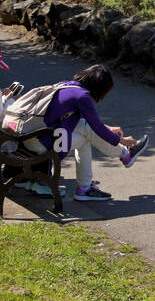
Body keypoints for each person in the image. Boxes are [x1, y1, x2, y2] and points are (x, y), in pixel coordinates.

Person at [16, 65, 148, 202]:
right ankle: (122, 155)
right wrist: (123, 140)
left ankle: (121, 157)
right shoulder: (82, 96)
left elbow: (82, 119)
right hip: (41, 142)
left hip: (28, 137)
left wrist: (108, 128)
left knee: (85, 131)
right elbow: (96, 127)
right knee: (85, 138)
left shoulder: (66, 86)